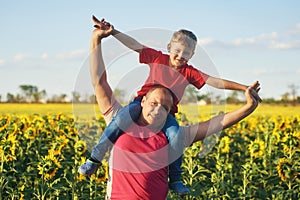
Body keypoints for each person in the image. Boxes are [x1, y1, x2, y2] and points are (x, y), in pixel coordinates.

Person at [79, 16, 262, 194]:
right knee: (119, 120)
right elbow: (130, 48)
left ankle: (175, 179)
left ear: (192, 55)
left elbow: (216, 89)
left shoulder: (188, 75)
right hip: (133, 112)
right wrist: (109, 33)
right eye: (154, 103)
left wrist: (245, 91)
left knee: (175, 137)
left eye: (165, 106)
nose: (181, 56)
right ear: (169, 47)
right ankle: (95, 158)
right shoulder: (157, 59)